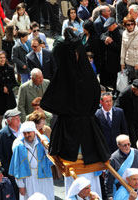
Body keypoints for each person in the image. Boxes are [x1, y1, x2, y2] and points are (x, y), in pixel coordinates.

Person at [40, 27, 110, 164]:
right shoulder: (68, 76)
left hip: (80, 130)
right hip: (72, 131)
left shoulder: (76, 76)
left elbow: (49, 102)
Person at [9, 121, 54, 200]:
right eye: (24, 133)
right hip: (28, 179)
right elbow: (17, 168)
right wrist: (21, 186)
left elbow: (51, 159)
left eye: (29, 132)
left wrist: (47, 148)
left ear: (34, 131)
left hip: (44, 178)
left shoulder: (43, 140)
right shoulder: (19, 146)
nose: (27, 135)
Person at [105, 134, 138, 199]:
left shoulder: (137, 154)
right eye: (124, 145)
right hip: (122, 191)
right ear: (118, 146)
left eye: (129, 144)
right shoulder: (113, 159)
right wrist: (109, 195)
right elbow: (109, 179)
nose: (127, 147)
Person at [0, 109, 21, 199]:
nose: (19, 120)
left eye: (19, 117)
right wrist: (6, 170)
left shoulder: (23, 131)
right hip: (12, 171)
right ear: (8, 121)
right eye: (15, 118)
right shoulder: (1, 135)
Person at [0, 50, 18, 131]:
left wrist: (8, 88)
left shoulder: (10, 68)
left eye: (4, 57)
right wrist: (1, 89)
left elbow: (14, 82)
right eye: (0, 58)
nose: (2, 59)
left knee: (10, 115)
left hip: (9, 96)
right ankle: (0, 127)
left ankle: (10, 128)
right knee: (0, 114)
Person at [120, 16, 138, 82]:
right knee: (129, 81)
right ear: (125, 26)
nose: (131, 26)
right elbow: (123, 48)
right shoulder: (124, 34)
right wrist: (122, 63)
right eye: (128, 25)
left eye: (132, 24)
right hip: (128, 62)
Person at [100, 17, 123, 93]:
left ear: (114, 25)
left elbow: (120, 48)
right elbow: (102, 35)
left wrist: (111, 43)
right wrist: (105, 38)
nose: (108, 29)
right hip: (109, 61)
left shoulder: (120, 33)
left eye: (109, 27)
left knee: (116, 78)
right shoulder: (109, 32)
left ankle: (117, 91)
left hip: (116, 61)